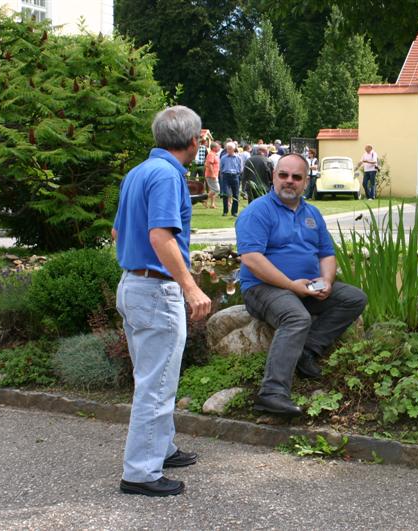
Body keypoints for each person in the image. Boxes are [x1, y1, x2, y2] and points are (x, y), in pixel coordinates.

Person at [112, 105, 211, 497]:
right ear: (194, 141)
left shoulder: (137, 173)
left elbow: (120, 234)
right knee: (156, 383)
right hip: (155, 290)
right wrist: (190, 286)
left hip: (132, 285)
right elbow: (161, 237)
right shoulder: (169, 176)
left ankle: (161, 448)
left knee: (151, 376)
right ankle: (140, 472)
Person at [235, 153, 367, 416]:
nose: (289, 181)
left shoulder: (312, 213)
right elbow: (251, 259)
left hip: (304, 287)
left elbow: (326, 254)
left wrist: (326, 281)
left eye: (296, 177)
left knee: (354, 298)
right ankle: (272, 393)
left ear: (306, 181)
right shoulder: (258, 211)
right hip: (263, 288)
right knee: (297, 317)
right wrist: (290, 285)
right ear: (273, 177)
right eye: (283, 175)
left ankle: (306, 350)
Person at [220, 141, 242, 217]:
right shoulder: (223, 158)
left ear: (234, 149)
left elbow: (240, 168)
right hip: (226, 176)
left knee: (236, 194)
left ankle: (234, 212)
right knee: (225, 194)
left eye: (230, 149)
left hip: (235, 176)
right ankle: (225, 211)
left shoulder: (238, 158)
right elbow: (221, 168)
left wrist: (238, 174)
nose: (228, 150)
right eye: (227, 149)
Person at [204, 141, 220, 209]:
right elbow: (209, 164)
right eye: (217, 147)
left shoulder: (214, 154)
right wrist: (213, 174)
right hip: (211, 175)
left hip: (214, 174)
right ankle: (204, 199)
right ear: (213, 148)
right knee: (217, 189)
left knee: (213, 189)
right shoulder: (211, 154)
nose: (219, 148)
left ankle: (212, 204)